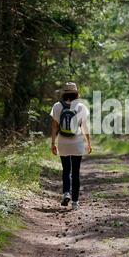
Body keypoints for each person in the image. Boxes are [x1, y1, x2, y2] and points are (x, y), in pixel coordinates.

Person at [50, 82, 92, 210]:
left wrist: (53, 143)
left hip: (63, 142)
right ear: (76, 93)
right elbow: (84, 127)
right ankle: (75, 202)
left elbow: (54, 127)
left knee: (66, 170)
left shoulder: (57, 106)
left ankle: (66, 193)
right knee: (76, 172)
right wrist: (88, 143)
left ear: (64, 93)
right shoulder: (81, 107)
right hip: (77, 142)